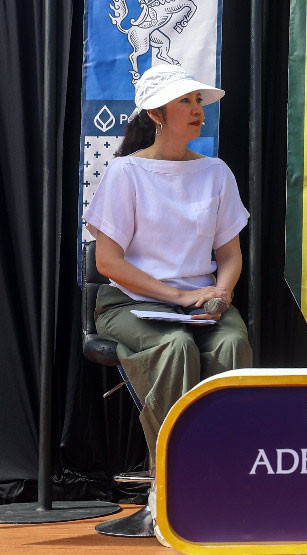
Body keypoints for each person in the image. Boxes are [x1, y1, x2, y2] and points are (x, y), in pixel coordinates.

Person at [84, 64, 252, 476]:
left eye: (198, 100)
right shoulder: (125, 172)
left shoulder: (216, 172)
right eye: (185, 101)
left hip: (200, 303)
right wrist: (180, 296)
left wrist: (221, 294)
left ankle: (225, 471)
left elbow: (230, 255)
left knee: (232, 344)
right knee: (175, 346)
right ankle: (173, 473)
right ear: (156, 114)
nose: (198, 109)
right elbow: (108, 262)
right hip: (130, 304)